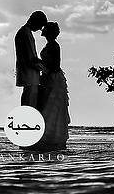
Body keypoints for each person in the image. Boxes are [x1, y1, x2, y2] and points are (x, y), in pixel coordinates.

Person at [34, 21, 70, 149]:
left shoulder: (54, 46)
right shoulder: (50, 45)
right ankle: (45, 137)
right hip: (48, 77)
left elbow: (55, 66)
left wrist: (39, 64)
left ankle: (50, 137)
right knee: (46, 105)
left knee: (51, 106)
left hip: (53, 79)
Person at [14, 11, 47, 107]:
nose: (40, 29)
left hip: (29, 76)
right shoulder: (25, 34)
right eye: (40, 25)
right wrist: (45, 69)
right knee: (29, 104)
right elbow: (31, 59)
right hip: (30, 76)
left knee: (29, 103)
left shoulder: (24, 32)